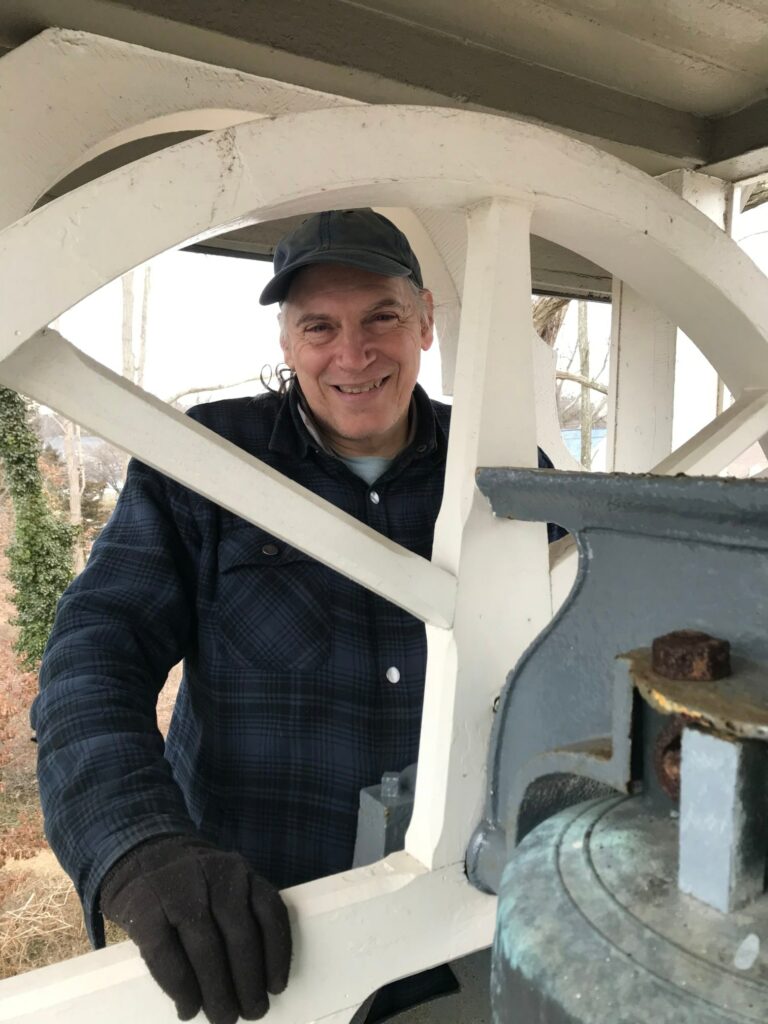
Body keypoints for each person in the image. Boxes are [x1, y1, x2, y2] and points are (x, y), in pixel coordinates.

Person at [32, 209, 557, 1024]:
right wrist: (138, 843)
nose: (353, 353)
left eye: (381, 316)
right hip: (256, 945)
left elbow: (574, 659)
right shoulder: (206, 462)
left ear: (423, 321)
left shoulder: (511, 475)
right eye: (320, 326)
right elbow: (97, 650)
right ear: (287, 343)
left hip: (459, 924)